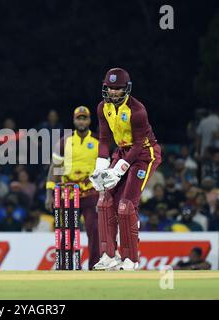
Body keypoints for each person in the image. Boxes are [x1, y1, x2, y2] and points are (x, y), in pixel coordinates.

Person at [90, 68, 162, 270]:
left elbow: (139, 144)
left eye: (117, 88)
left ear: (126, 89)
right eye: (110, 88)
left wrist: (117, 171)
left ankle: (131, 259)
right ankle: (108, 256)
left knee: (126, 205)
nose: (113, 92)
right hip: (122, 151)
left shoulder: (137, 111)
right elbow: (104, 139)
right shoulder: (103, 107)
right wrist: (101, 167)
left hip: (144, 154)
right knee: (105, 200)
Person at [45, 106, 100, 269]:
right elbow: (55, 169)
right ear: (74, 120)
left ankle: (95, 265)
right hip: (68, 194)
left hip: (91, 193)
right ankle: (65, 266)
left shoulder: (97, 142)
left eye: (84, 118)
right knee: (66, 232)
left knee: (94, 230)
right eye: (79, 118)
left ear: (89, 120)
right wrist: (49, 194)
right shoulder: (65, 142)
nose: (81, 121)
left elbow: (105, 170)